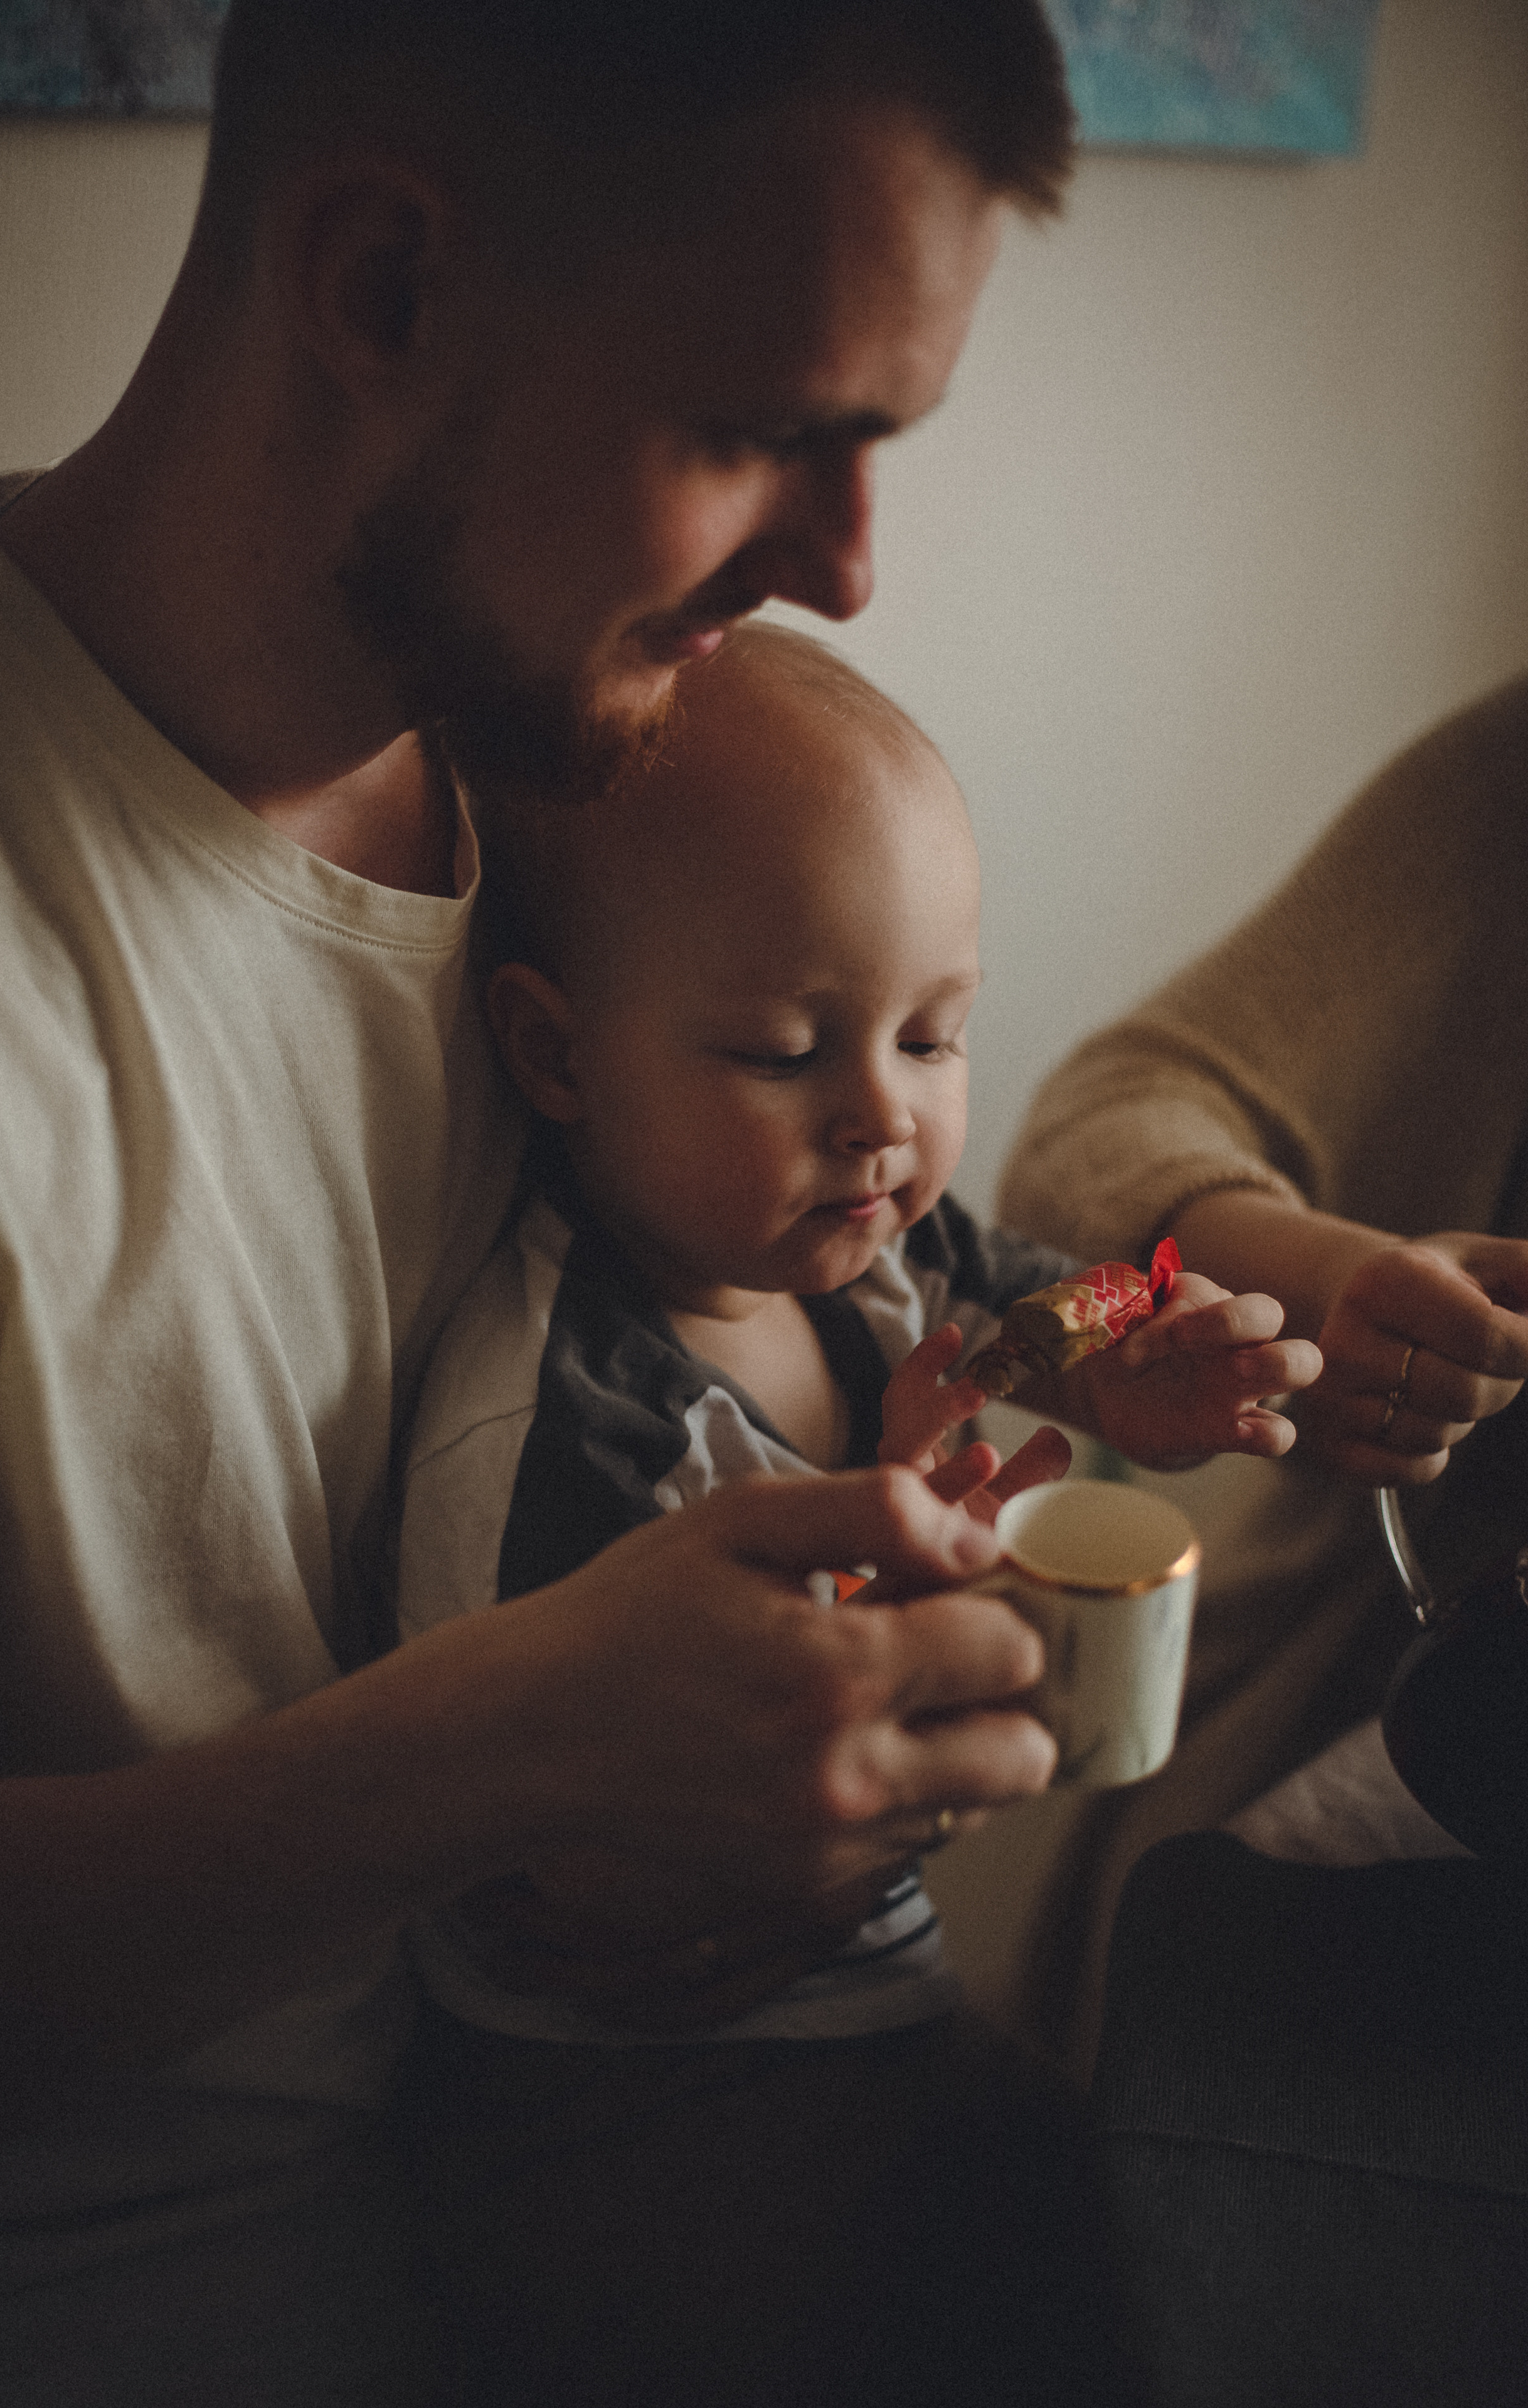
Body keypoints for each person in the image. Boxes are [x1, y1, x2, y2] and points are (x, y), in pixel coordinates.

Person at [0, 2, 1083, 2399]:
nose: (852, 576)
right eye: (769, 428)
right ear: (377, 291)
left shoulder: (624, 789)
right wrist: (503, 1756)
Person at [393, 624, 1320, 2404]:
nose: (885, 1122)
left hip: (871, 2004)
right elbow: (555, 1857)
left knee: (1144, 2238)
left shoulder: (884, 1265)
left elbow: (1059, 1292)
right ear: (560, 1055)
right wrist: (873, 1520)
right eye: (783, 1052)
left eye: (932, 1033)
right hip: (632, 2116)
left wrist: (1136, 1352)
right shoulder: (563, 1432)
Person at [989, 672, 1528, 2073]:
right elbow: (1061, 1197)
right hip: (1335, 1820)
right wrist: (1318, 1285)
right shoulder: (1504, 787)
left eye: (928, 1039)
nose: (874, 1120)